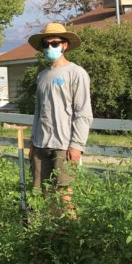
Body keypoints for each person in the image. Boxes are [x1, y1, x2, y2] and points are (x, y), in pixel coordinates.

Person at [27, 22, 92, 209]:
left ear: (65, 45)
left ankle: (67, 233)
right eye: (46, 44)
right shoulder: (42, 76)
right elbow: (39, 111)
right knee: (45, 195)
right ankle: (50, 236)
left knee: (64, 195)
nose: (50, 48)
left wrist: (77, 145)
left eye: (54, 43)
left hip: (64, 145)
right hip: (41, 144)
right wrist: (33, 142)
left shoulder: (76, 73)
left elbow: (83, 112)